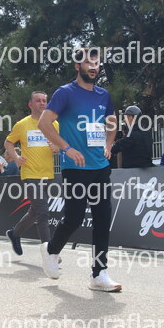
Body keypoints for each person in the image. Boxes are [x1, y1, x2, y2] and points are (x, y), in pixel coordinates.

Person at [37, 47, 121, 292]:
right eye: (88, 63)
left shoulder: (104, 95)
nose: (94, 67)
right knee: (74, 218)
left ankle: (99, 274)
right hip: (75, 166)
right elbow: (44, 123)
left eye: (96, 63)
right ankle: (51, 250)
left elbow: (112, 122)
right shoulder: (65, 93)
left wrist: (109, 144)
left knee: (103, 219)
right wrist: (67, 148)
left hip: (100, 165)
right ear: (77, 66)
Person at [4, 91, 59, 254]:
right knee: (43, 213)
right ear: (30, 104)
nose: (42, 103)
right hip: (30, 174)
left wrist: (56, 148)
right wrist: (16, 157)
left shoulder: (54, 124)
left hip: (48, 174)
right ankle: (49, 252)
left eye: (44, 101)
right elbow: (8, 143)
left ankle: (15, 233)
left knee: (34, 212)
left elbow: (60, 146)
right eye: (38, 101)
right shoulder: (22, 125)